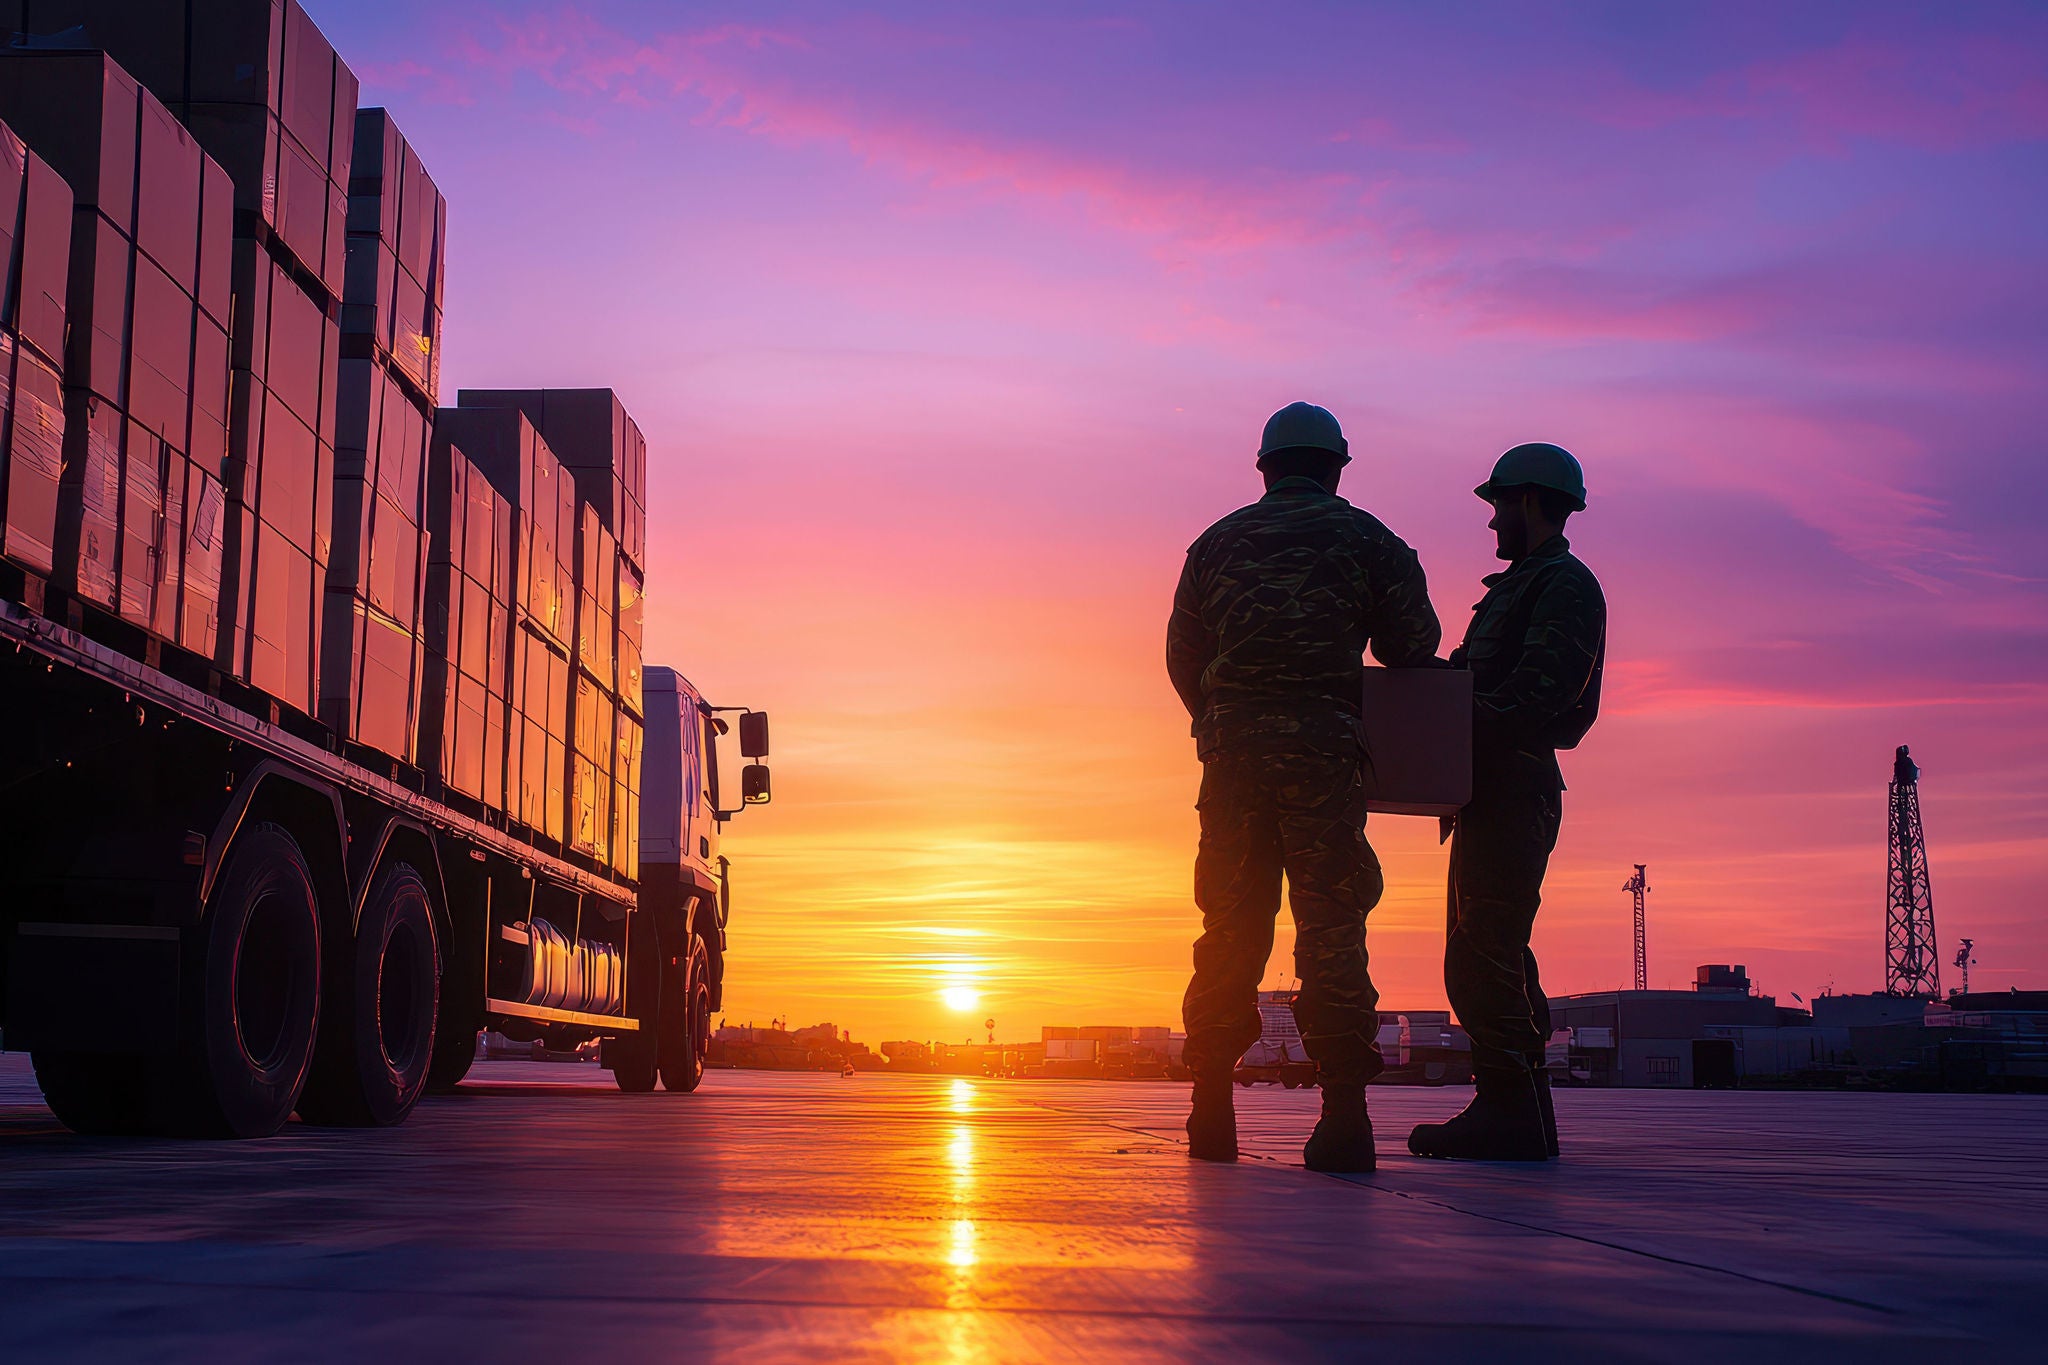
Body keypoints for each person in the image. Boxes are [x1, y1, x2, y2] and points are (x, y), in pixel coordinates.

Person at [1166, 402, 1441, 1173]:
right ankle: (1345, 1114)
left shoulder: (1215, 544)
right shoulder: (1369, 541)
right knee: (1331, 927)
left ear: (1264, 468)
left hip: (1235, 761)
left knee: (1230, 924)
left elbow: (1182, 654)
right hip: (1323, 757)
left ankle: (1211, 1104)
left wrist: (1222, 723)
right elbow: (1413, 644)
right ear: (1336, 468)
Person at [1409, 443, 1605, 1162]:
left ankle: (1508, 1110)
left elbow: (1540, 697)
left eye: (1499, 505)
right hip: (1485, 791)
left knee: (1483, 956)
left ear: (1528, 502)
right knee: (1493, 954)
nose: (1492, 522)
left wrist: (1445, 712)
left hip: (1513, 787)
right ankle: (1525, 1110)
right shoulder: (1522, 585)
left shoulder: (1563, 585)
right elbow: (1484, 684)